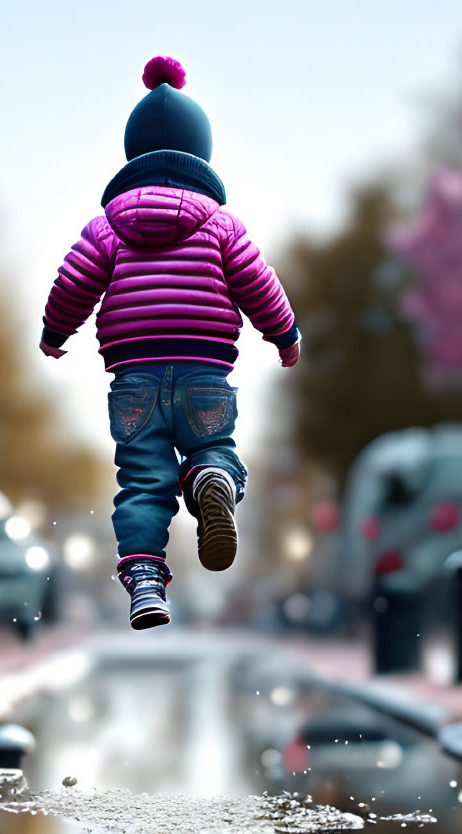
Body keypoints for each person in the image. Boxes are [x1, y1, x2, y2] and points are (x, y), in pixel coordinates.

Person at [38, 55, 301, 630]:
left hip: (134, 380)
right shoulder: (221, 224)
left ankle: (147, 585)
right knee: (216, 448)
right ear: (200, 153)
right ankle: (212, 477)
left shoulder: (106, 226)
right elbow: (260, 283)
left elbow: (74, 281)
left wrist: (56, 332)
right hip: (206, 373)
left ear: (134, 155)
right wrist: (284, 334)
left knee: (141, 484)